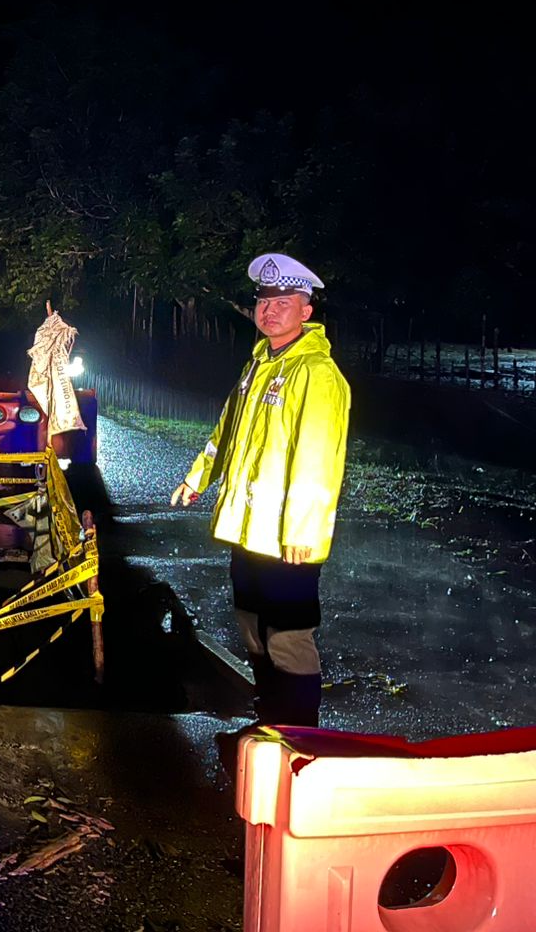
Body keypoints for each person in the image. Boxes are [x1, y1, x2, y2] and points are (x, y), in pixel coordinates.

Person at [170, 253, 350, 728]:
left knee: (288, 636)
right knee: (252, 628)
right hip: (251, 533)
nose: (269, 310)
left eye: (283, 301)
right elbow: (227, 431)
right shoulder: (259, 366)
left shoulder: (315, 373)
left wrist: (303, 531)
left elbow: (318, 458)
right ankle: (269, 717)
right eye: (263, 301)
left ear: (306, 311)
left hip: (289, 542)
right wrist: (197, 477)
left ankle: (298, 733)